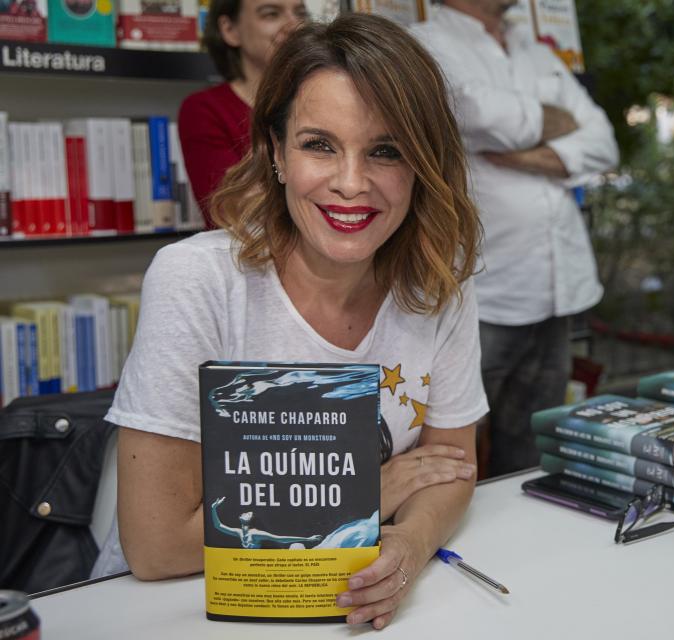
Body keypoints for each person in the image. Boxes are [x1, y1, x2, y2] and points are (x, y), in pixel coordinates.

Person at [106, 14, 487, 630]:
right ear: (276, 152)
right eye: (319, 145)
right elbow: (157, 547)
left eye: (386, 151)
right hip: (174, 609)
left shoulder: (441, 283)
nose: (351, 184)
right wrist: (373, 492)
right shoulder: (197, 279)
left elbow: (451, 468)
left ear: (423, 164)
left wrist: (410, 545)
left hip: (352, 602)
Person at [411, 0, 619, 476]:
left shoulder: (535, 50)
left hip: (554, 291)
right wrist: (553, 124)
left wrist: (519, 154)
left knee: (533, 449)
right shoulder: (425, 45)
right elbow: (474, 114)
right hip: (479, 292)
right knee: (450, 452)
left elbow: (602, 141)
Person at [178, 0, 308, 227]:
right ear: (230, 30)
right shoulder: (204, 109)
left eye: (300, 13)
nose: (294, 25)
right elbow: (232, 207)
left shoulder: (321, 103)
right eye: (271, 14)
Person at [210, 497, 324, 549]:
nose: (246, 513)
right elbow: (218, 526)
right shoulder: (238, 532)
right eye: (246, 513)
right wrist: (213, 508)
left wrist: (307, 539)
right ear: (240, 517)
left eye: (249, 514)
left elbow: (280, 539)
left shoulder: (255, 533)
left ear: (250, 520)